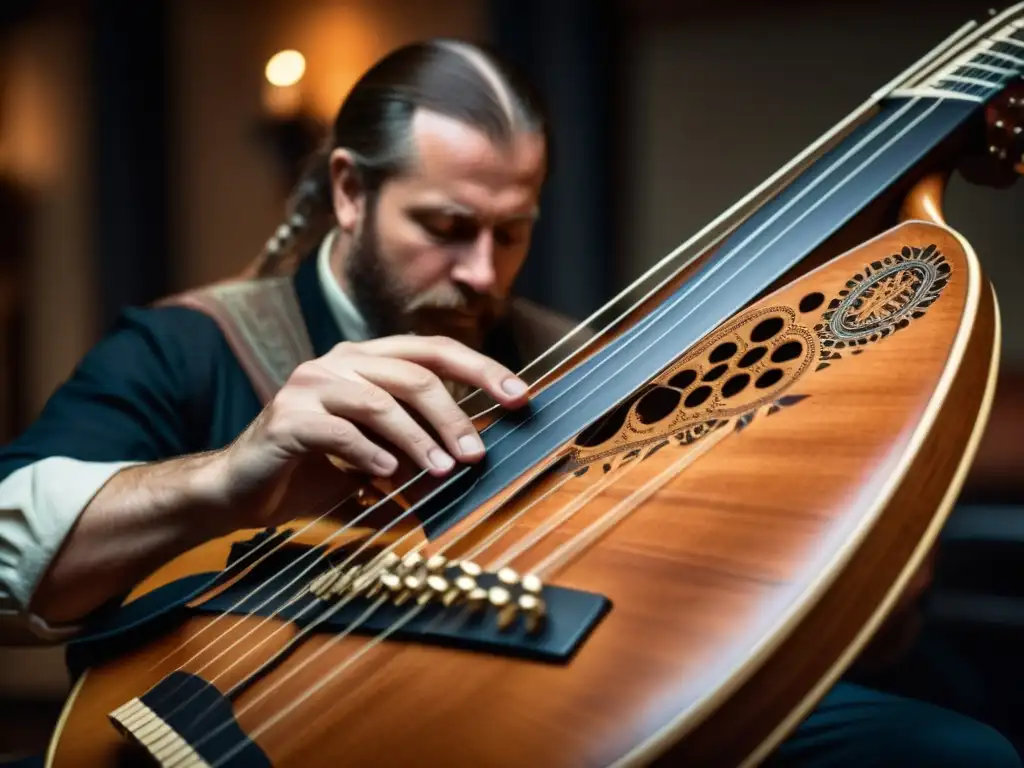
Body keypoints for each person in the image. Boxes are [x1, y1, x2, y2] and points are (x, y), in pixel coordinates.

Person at [0, 38, 1018, 767]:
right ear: (350, 192)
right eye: (445, 225)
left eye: (512, 230)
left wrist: (862, 554)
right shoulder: (186, 345)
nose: (480, 270)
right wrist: (227, 479)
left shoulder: (574, 361)